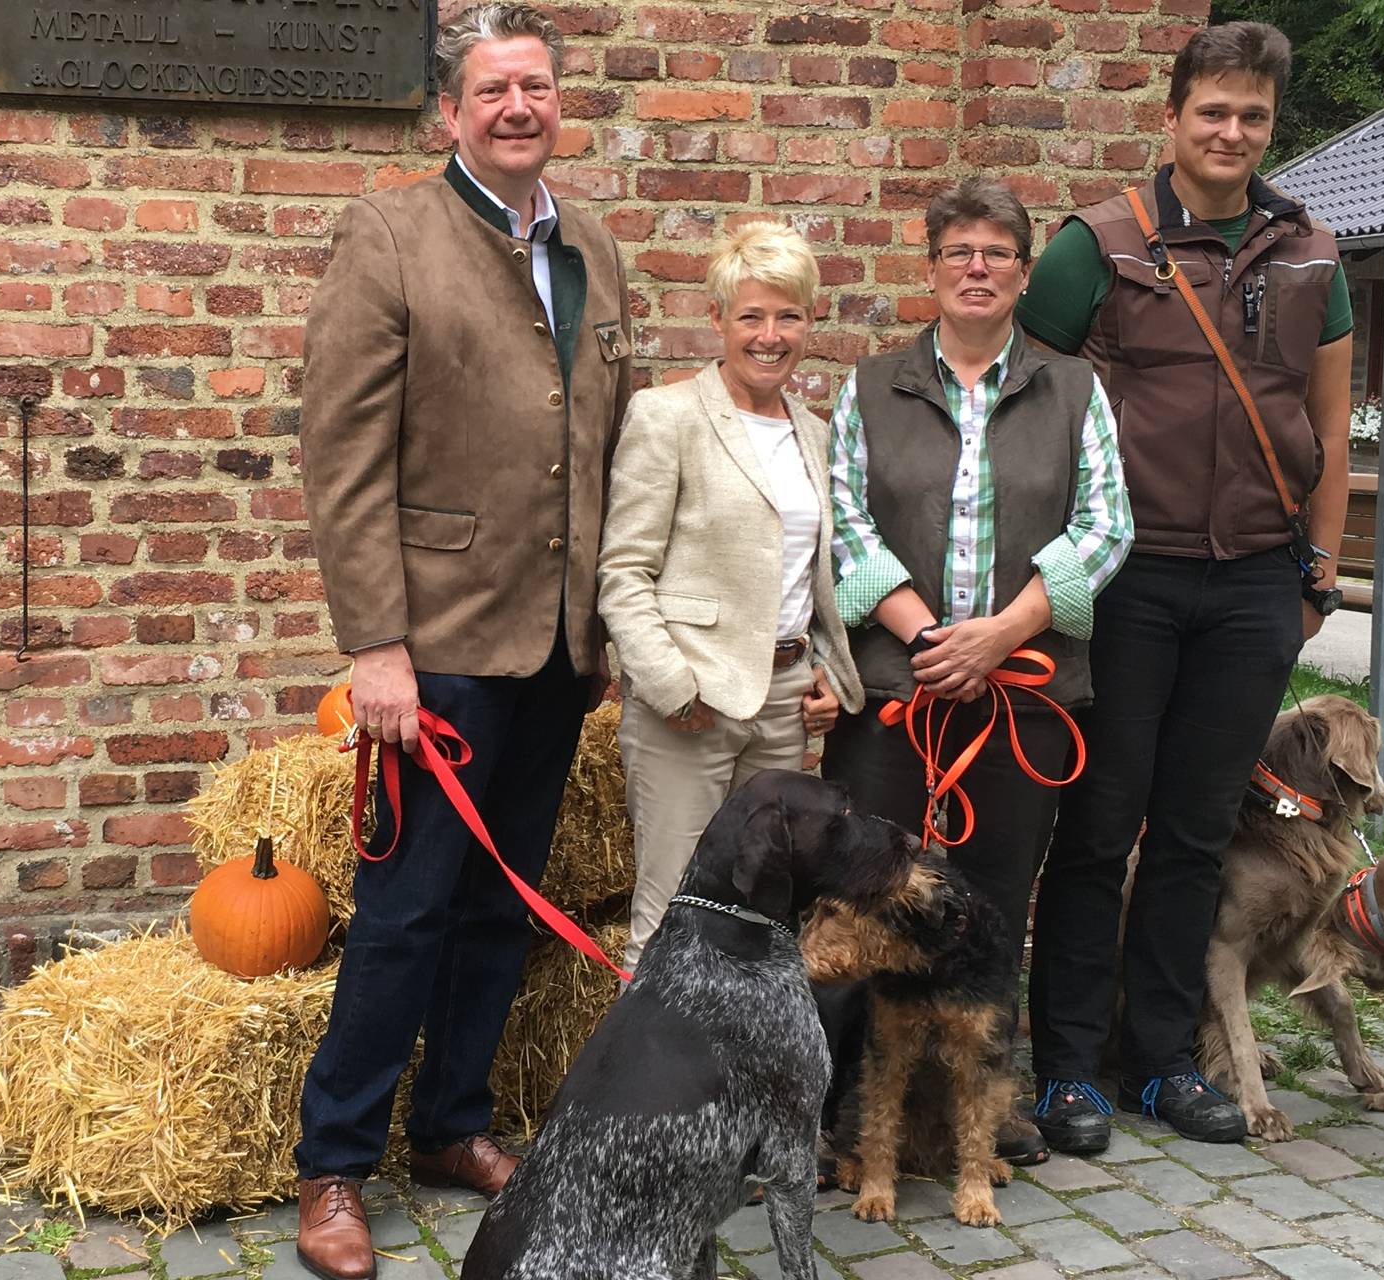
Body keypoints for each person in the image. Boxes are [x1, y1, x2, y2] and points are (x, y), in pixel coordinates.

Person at [291, 5, 633, 1278]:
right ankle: (332, 1159)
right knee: (405, 910)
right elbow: (342, 454)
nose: (516, 108)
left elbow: (609, 438)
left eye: (535, 87)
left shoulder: (590, 241)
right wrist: (374, 644)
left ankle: (450, 1125)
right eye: (491, 90)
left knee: (501, 904)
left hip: (555, 648)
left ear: (557, 100)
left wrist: (606, 618)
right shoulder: (388, 234)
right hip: (434, 646)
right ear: (449, 111)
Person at [1014, 19, 1354, 1153]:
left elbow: (1325, 425)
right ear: (1168, 118)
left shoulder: (1311, 249)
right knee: (1099, 824)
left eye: (1250, 116)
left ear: (1269, 127)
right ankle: (1065, 1063)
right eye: (1210, 111)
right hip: (1126, 578)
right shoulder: (1092, 246)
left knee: (1196, 835)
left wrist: (1314, 571)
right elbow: (1027, 406)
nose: (1229, 131)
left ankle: (1158, 1059)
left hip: (1254, 581)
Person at [820, 176, 1131, 1165]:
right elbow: (844, 522)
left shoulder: (1072, 388)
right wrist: (926, 640)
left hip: (1022, 689)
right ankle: (837, 1116)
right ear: (929, 269)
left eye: (996, 251)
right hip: (896, 695)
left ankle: (984, 1108)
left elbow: (1105, 522)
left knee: (991, 903)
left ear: (1022, 271)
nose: (976, 268)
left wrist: (998, 634)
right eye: (958, 250)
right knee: (863, 896)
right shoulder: (870, 385)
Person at [598, 221, 864, 971]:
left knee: (761, 918)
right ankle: (641, 1091)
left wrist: (825, 671)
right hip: (690, 706)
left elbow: (806, 574)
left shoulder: (814, 433)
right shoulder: (668, 417)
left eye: (789, 316)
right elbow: (622, 571)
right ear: (717, 321)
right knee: (670, 912)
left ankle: (736, 1087)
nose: (770, 335)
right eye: (751, 316)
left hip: (782, 707)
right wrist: (670, 685)